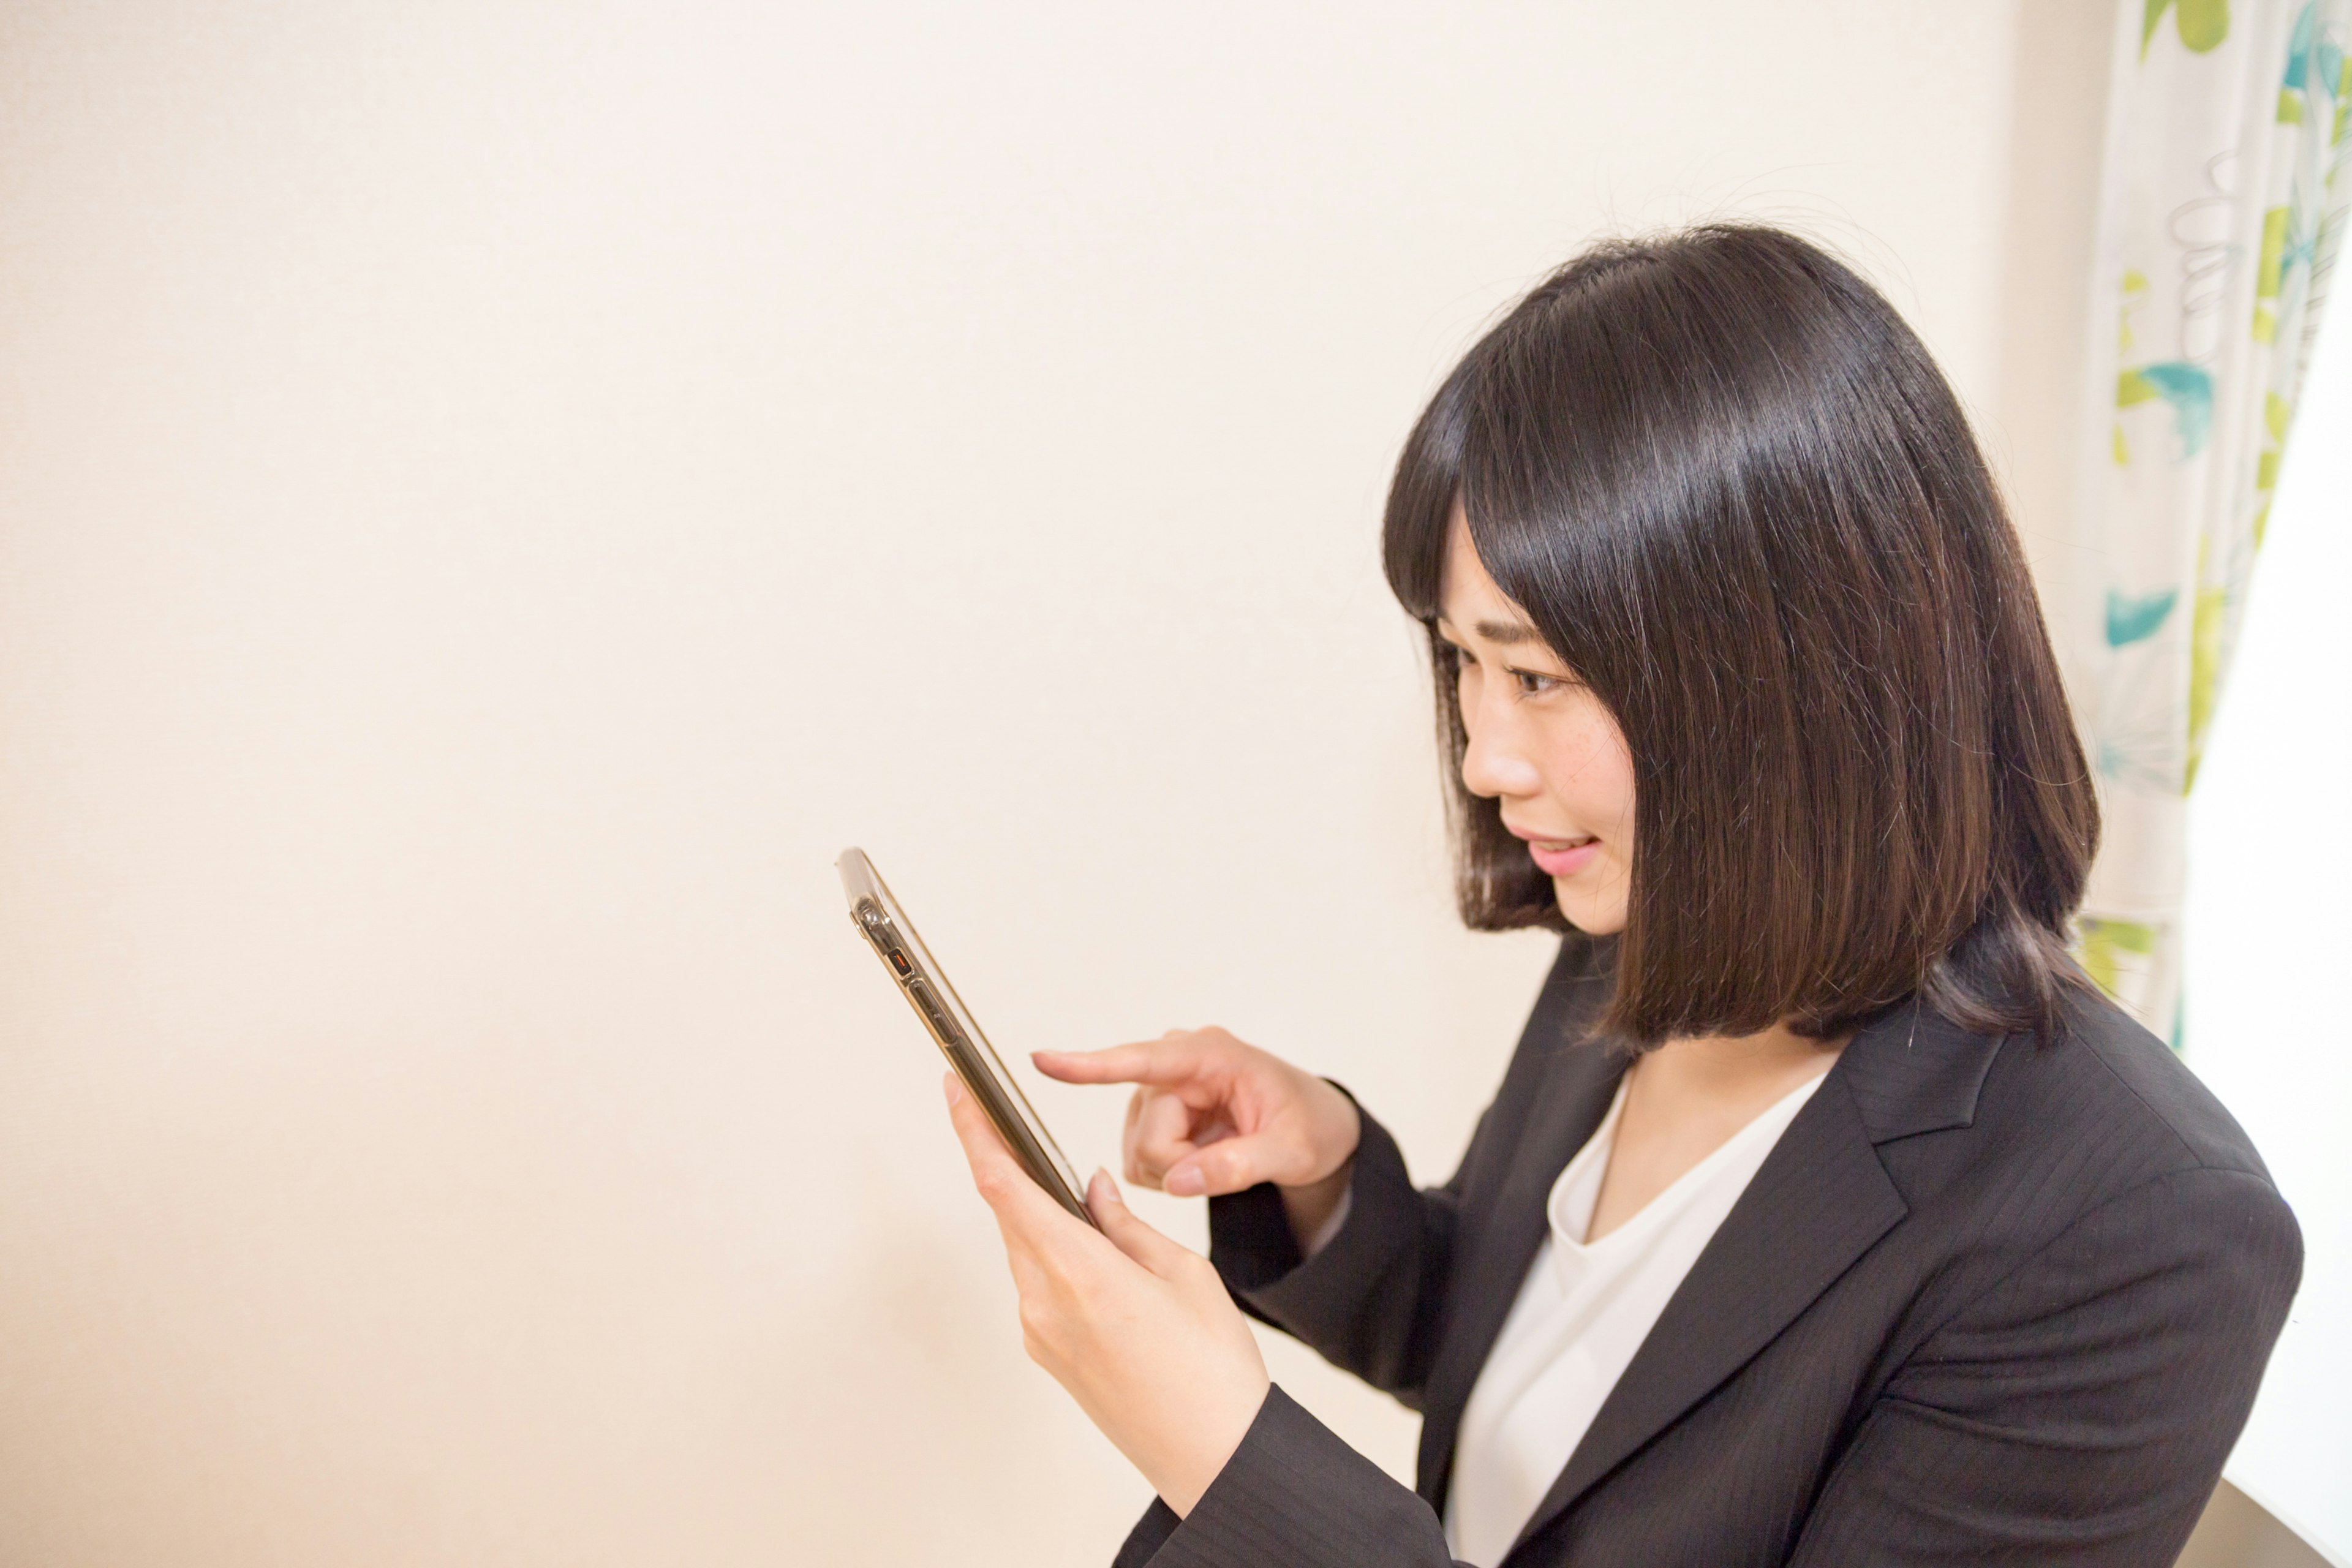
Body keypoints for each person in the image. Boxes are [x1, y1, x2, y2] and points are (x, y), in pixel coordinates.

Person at [937, 224, 2302, 1567]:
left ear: (1788, 677)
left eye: (1535, 675)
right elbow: (1546, 1375)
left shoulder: (2144, 1233)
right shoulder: (1652, 925)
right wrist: (1327, 1180)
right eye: (1463, 662)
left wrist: (1238, 1467)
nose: (1484, 754)